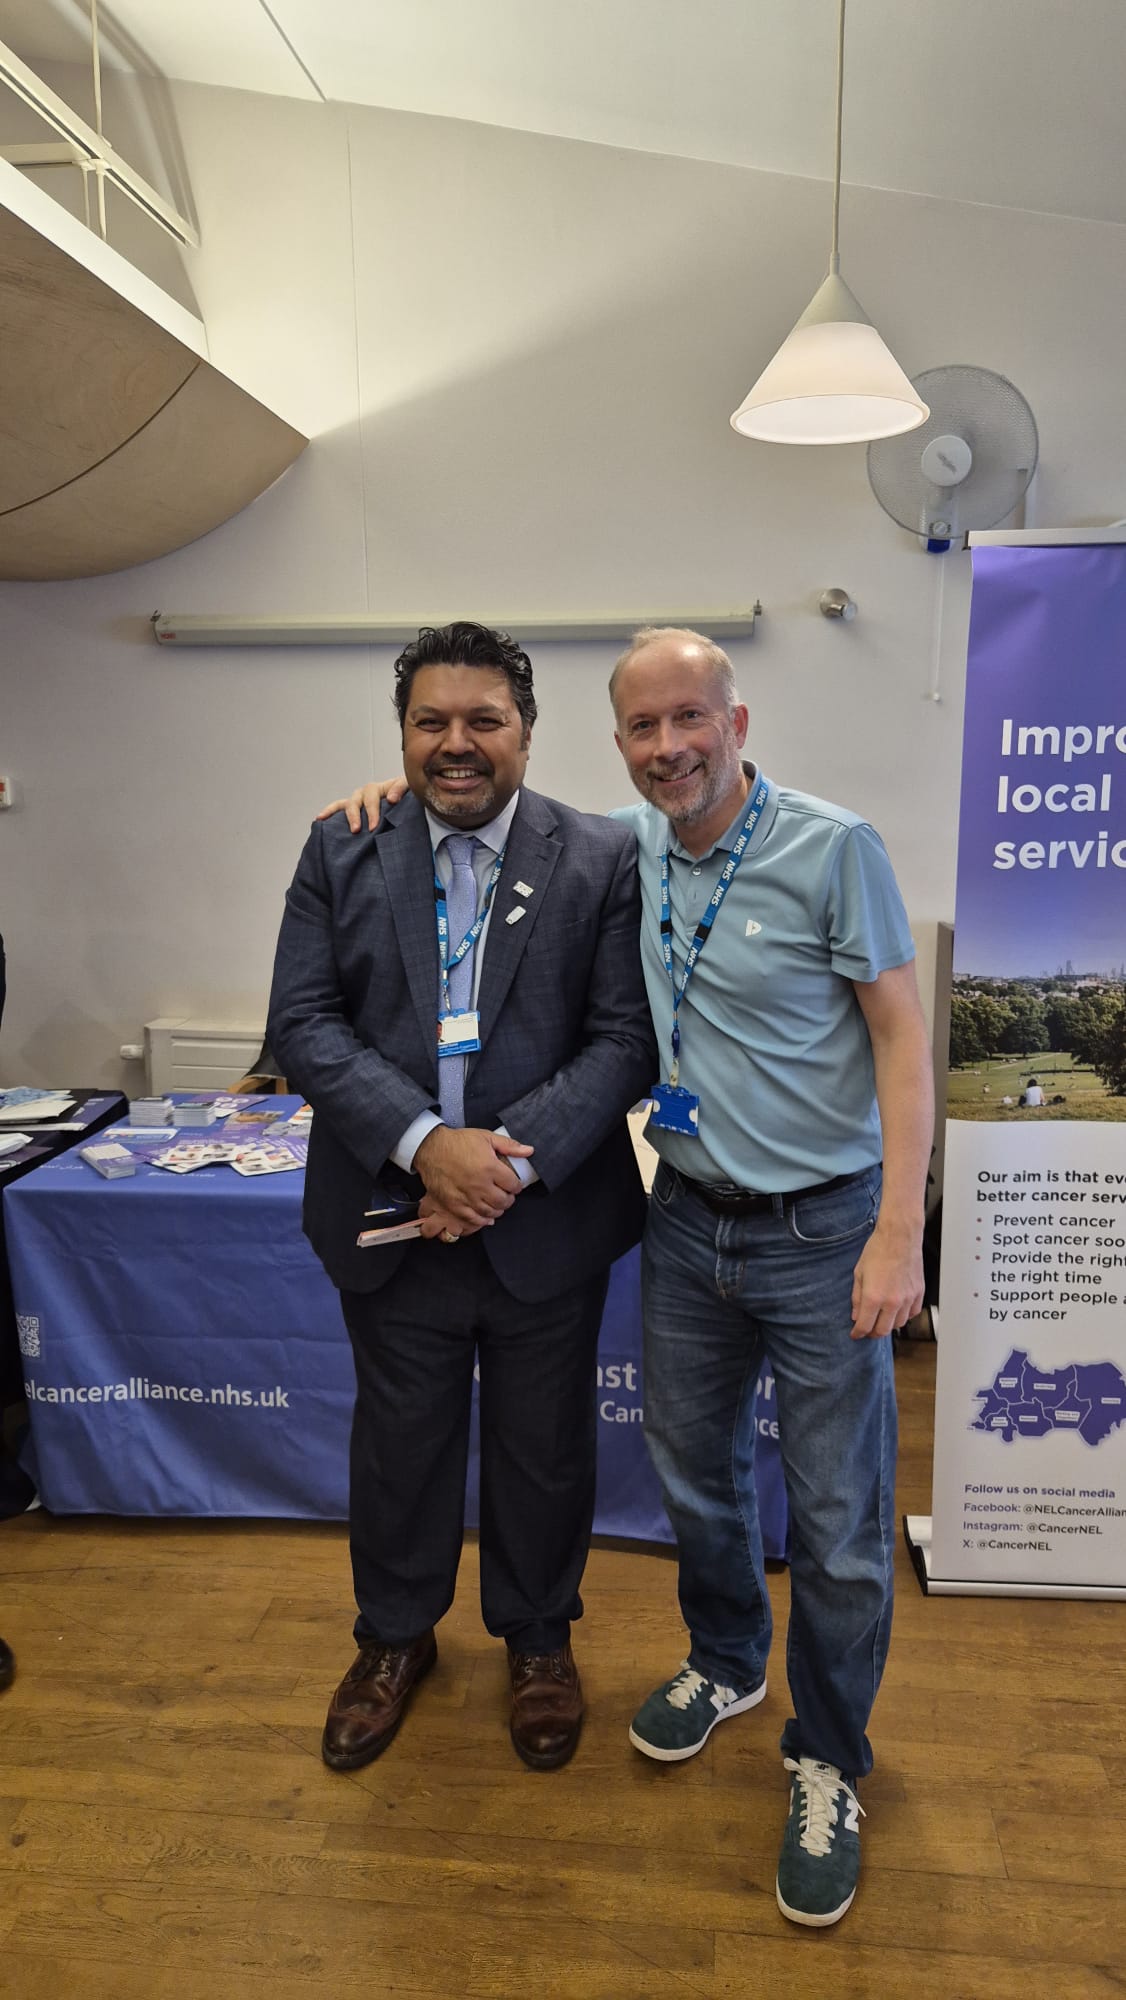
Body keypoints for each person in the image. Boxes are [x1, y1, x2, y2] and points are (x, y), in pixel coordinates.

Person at [320, 624, 933, 1928]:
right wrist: (380, 803)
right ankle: (725, 1663)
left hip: (823, 1228)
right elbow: (477, 804)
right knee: (695, 1483)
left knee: (831, 1524)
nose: (666, 749)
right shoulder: (619, 845)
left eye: (687, 722)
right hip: (686, 1220)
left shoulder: (835, 848)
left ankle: (827, 1759)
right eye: (641, 730)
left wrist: (897, 1233)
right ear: (613, 744)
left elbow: (900, 1042)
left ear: (735, 720)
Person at [267, 622, 656, 1777]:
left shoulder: (601, 856)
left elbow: (624, 1038)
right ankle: (392, 1639)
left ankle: (538, 1639)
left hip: (545, 1221)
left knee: (544, 1448)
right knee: (399, 1444)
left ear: (526, 731)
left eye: (483, 719)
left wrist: (500, 1164)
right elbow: (303, 1024)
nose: (456, 743)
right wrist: (427, 1143)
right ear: (402, 732)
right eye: (431, 720)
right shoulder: (339, 848)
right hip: (393, 1216)